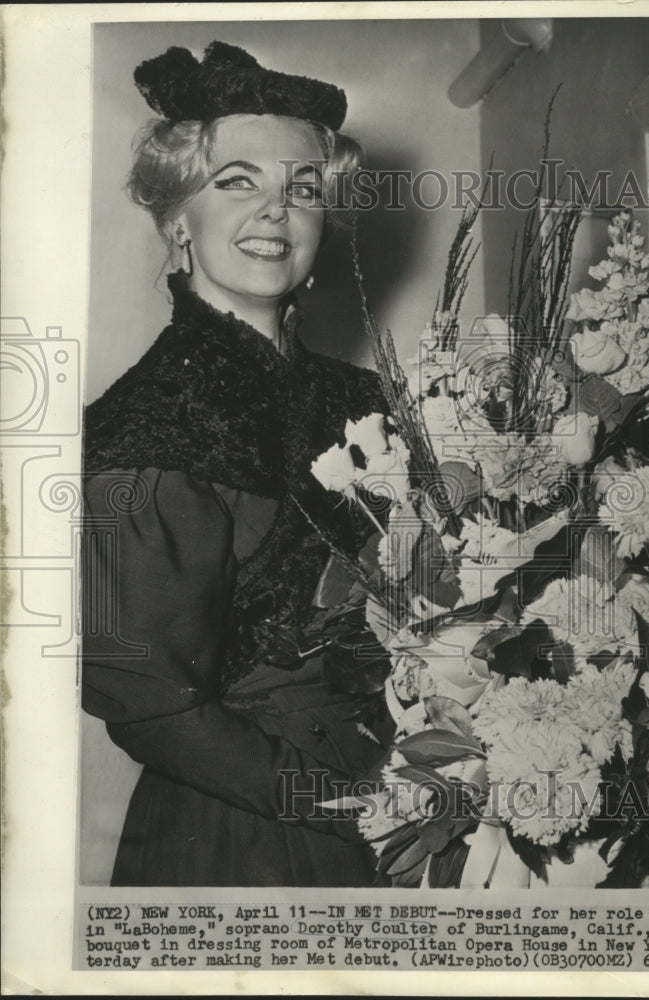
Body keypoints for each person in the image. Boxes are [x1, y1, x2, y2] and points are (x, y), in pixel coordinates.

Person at [81, 41, 393, 886]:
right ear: (178, 220)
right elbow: (146, 704)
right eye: (237, 181)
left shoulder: (367, 396)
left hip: (403, 795)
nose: (275, 211)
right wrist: (340, 803)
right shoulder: (142, 427)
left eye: (301, 188)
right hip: (247, 830)